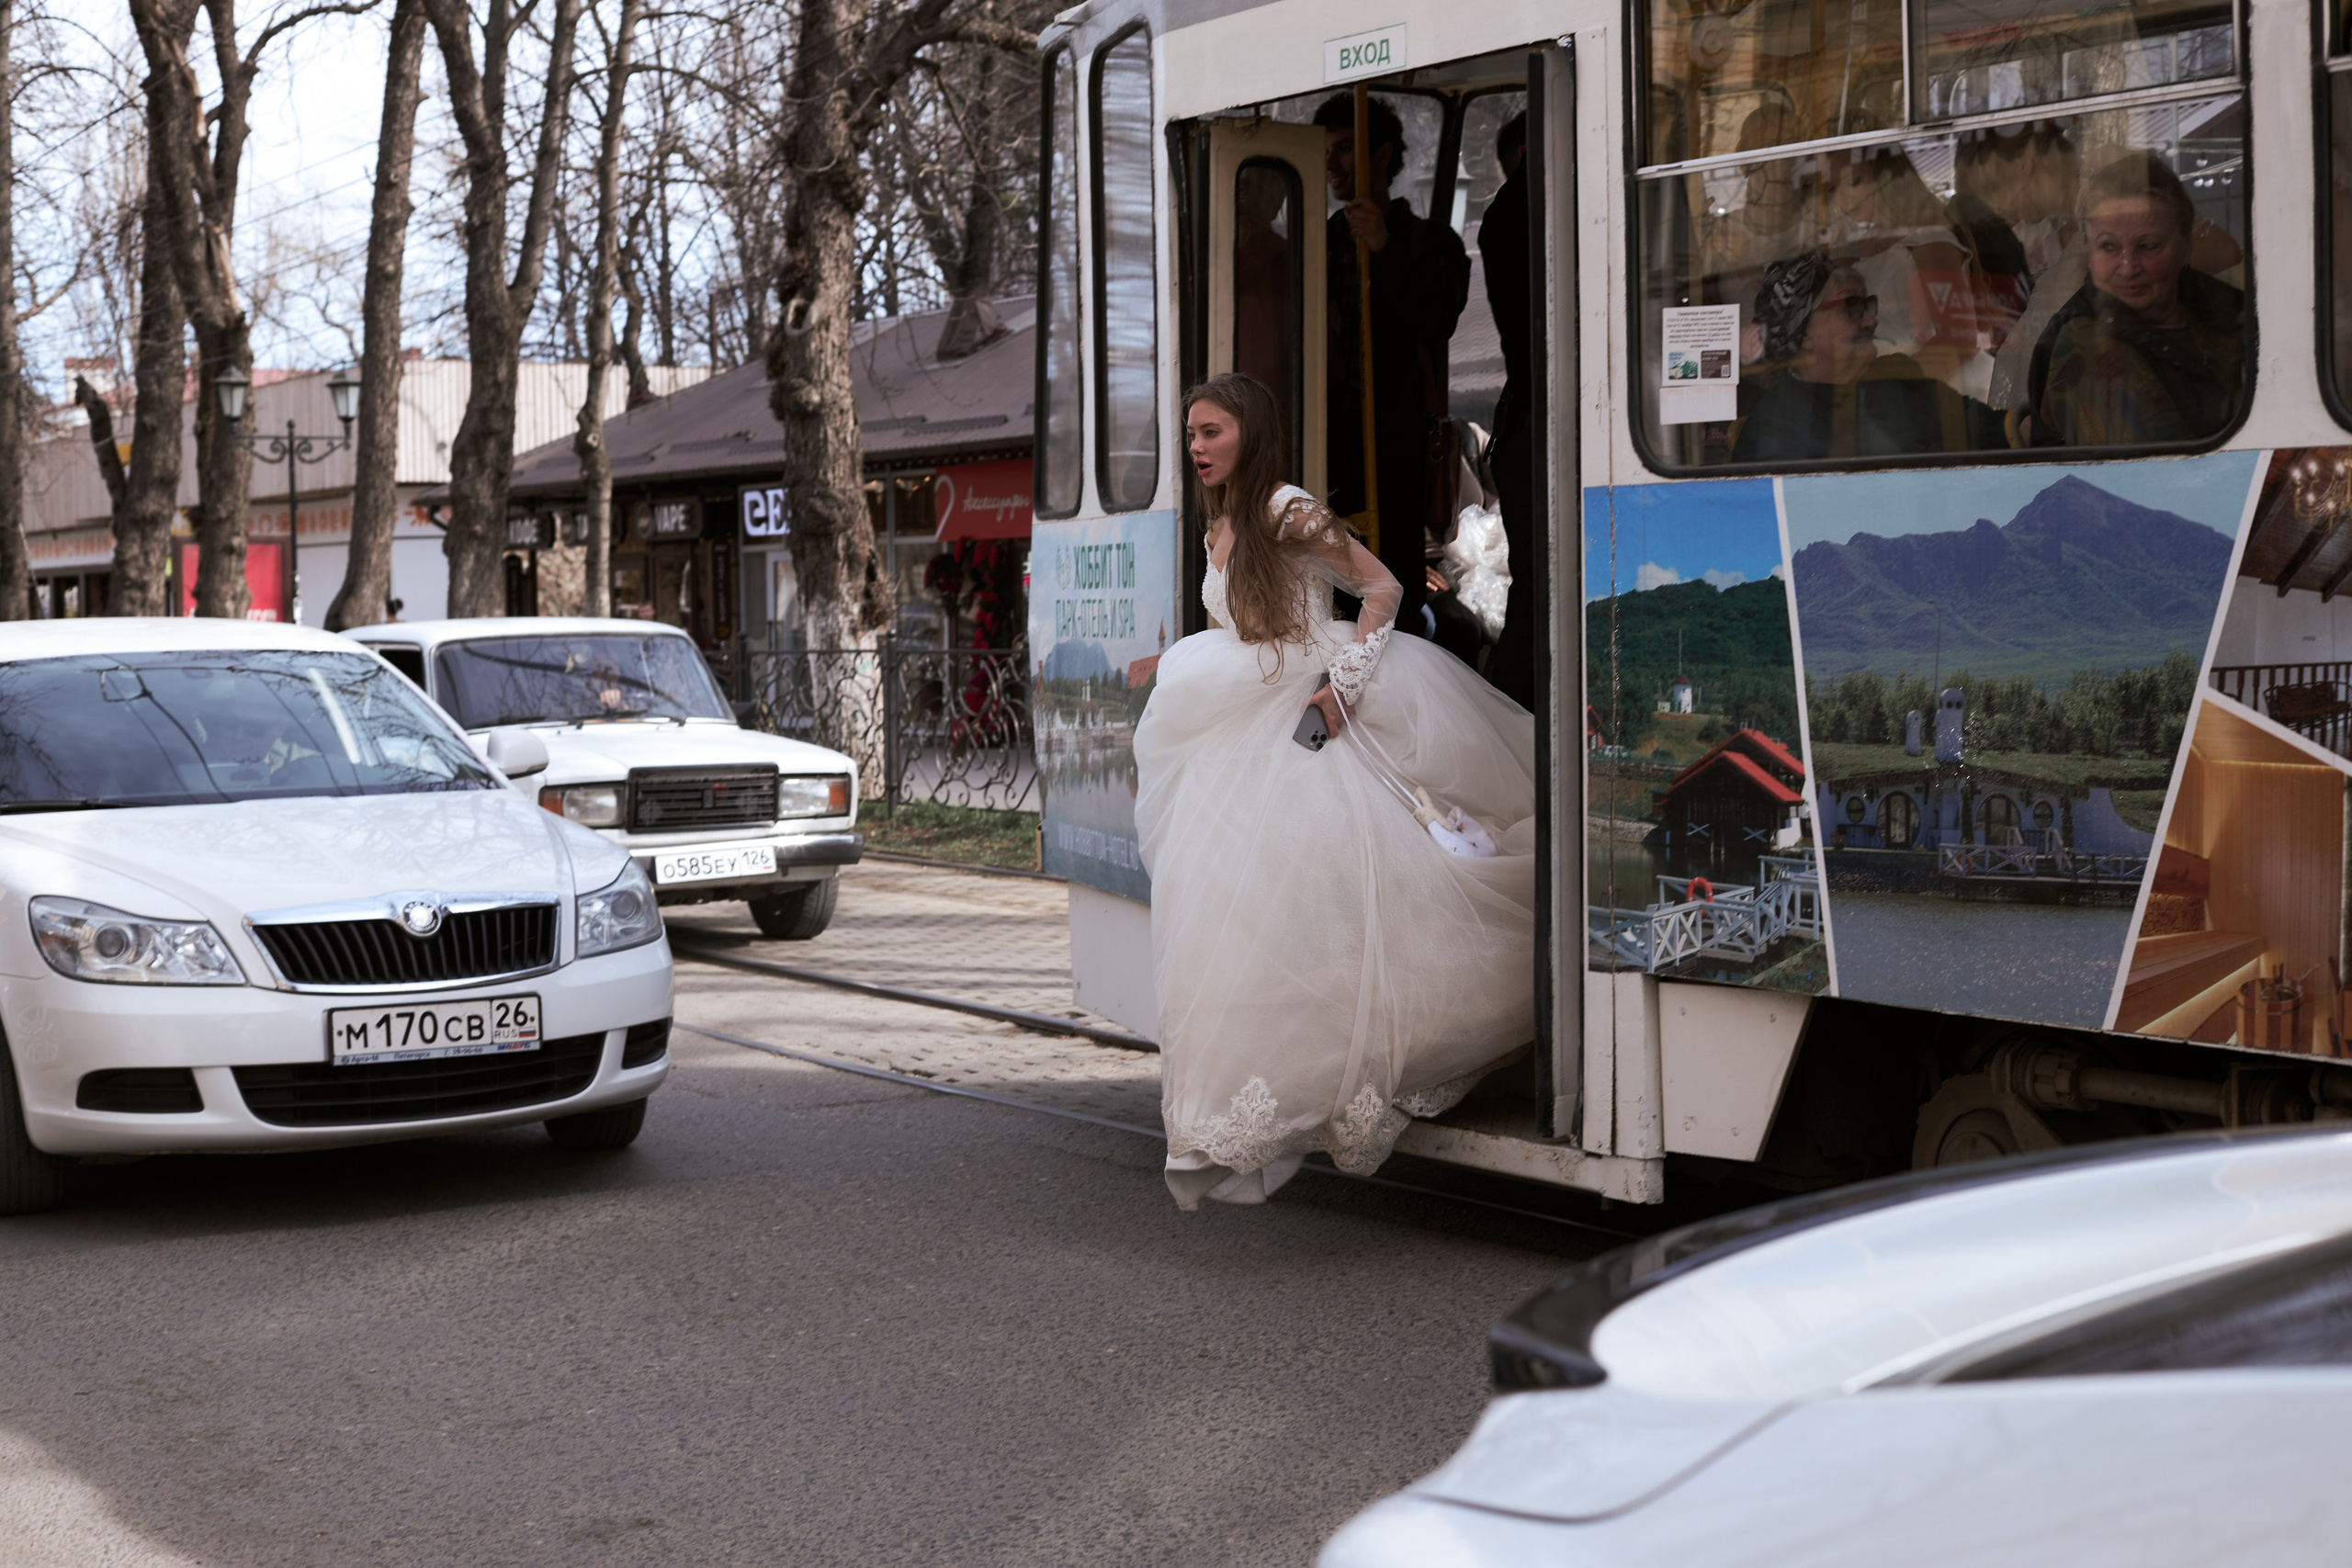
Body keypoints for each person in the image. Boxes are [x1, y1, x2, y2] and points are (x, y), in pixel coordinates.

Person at [1133, 373, 1537, 1209]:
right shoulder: (1224, 522)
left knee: (1348, 894)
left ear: (1249, 430)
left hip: (1310, 712)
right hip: (1245, 729)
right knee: (1246, 916)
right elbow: (1236, 633)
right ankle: (1263, 1096)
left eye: (1211, 431)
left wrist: (1344, 685)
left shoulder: (1285, 507)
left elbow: (1383, 588)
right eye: (1190, 433)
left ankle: (1351, 1071)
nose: (1197, 446)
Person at [1312, 93, 1471, 639]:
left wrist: (1384, 250)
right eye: (1325, 151)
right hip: (1329, 452)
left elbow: (1438, 321)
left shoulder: (1434, 242)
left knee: (1391, 600)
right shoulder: (1322, 243)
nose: (1331, 163)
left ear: (1382, 154)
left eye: (1343, 149)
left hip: (1398, 455)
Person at [2018, 152, 2246, 447]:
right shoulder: (2086, 348)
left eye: (2148, 246)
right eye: (2109, 246)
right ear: (2088, 252)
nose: (2128, 268)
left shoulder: (2220, 306)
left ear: (2185, 248)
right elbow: (2171, 479)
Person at [1732, 252, 1999, 460]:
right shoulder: (1772, 430)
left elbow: (1996, 432)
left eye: (1868, 305)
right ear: (1803, 335)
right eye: (1852, 307)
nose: (1872, 320)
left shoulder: (1900, 382)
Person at [1477, 112, 1536, 706]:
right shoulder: (1515, 212)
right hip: (1533, 421)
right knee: (1540, 589)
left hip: (1525, 418)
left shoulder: (1502, 216)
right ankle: (1515, 712)